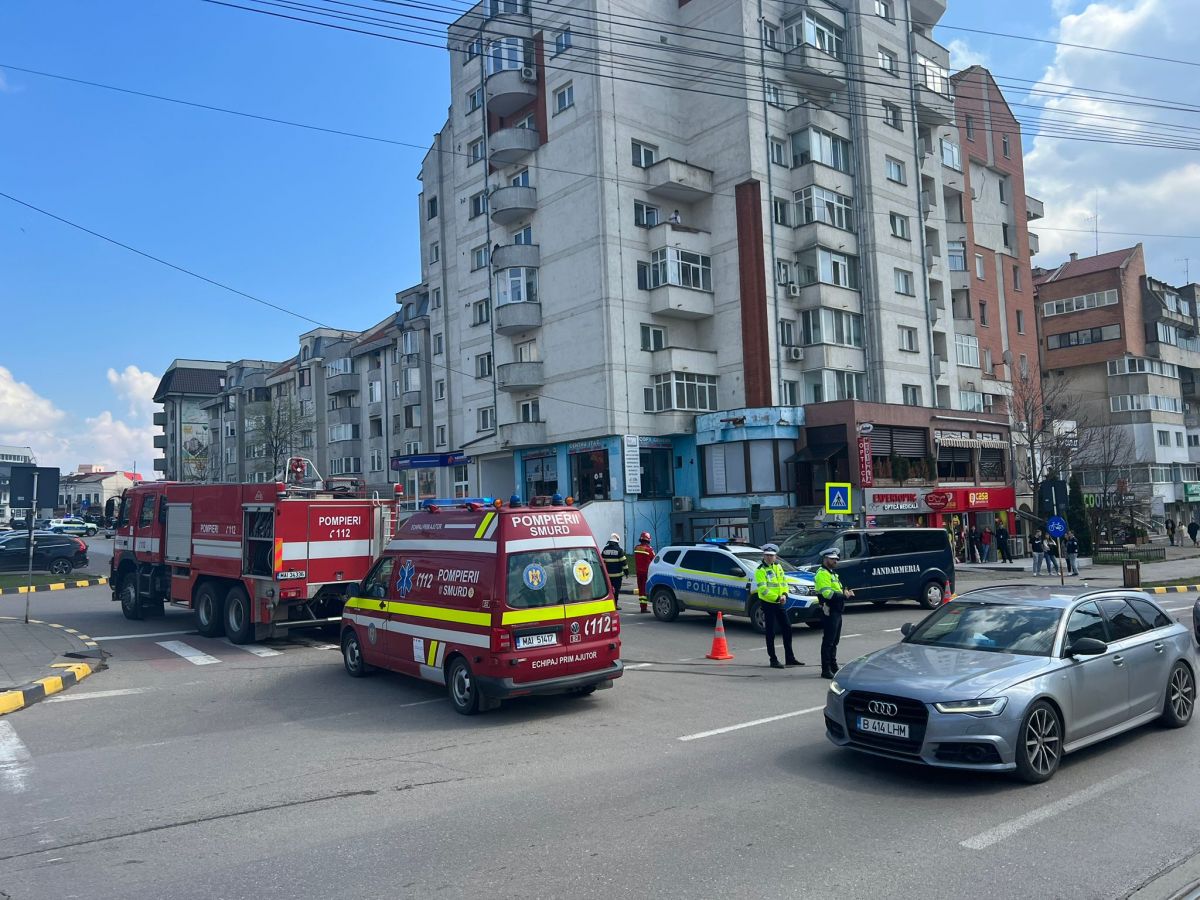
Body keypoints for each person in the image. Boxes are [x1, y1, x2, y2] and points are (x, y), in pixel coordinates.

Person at [755, 543, 803, 669]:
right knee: (770, 632)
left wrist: (785, 594)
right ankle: (773, 659)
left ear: (775, 556)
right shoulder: (760, 570)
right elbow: (763, 590)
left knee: (787, 628)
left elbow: (783, 583)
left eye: (772, 555)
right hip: (768, 603)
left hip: (780, 602)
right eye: (767, 555)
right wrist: (777, 598)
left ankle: (790, 658)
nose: (769, 557)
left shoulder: (778, 567)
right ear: (764, 556)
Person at [813, 547, 854, 679]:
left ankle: (833, 665)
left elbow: (837, 590)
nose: (835, 561)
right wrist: (844, 595)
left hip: (837, 610)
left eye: (836, 559)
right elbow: (828, 594)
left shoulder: (832, 573)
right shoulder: (822, 574)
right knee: (828, 641)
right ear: (825, 559)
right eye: (832, 559)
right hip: (829, 610)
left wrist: (845, 593)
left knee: (834, 641)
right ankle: (825, 669)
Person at [601, 532, 627, 609]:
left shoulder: (605, 550)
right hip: (617, 576)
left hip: (607, 576)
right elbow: (624, 563)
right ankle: (614, 605)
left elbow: (601, 561)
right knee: (616, 590)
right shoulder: (619, 550)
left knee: (608, 591)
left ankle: (607, 605)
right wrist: (626, 572)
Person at [633, 531, 655, 614]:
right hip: (646, 572)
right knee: (645, 590)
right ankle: (644, 608)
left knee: (641, 590)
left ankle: (642, 607)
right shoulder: (649, 549)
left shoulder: (636, 548)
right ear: (648, 540)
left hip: (638, 572)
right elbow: (654, 559)